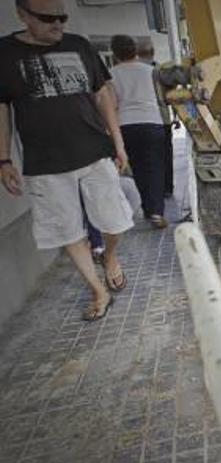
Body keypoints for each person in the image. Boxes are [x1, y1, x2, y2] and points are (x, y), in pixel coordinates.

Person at [0, 0, 134, 320]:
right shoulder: (4, 53)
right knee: (67, 231)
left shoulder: (79, 45)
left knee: (115, 221)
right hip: (44, 162)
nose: (58, 25)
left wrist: (119, 143)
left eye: (62, 18)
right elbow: (2, 108)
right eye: (47, 19)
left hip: (93, 151)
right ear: (22, 14)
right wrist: (4, 159)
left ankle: (110, 257)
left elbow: (102, 95)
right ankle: (98, 290)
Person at [109, 34, 168, 228]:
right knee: (155, 168)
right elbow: (162, 98)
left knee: (138, 169)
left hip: (126, 126)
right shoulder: (151, 71)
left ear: (114, 53)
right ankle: (156, 212)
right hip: (152, 122)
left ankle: (147, 208)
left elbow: (112, 104)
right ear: (135, 50)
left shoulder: (110, 74)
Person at [137, 39, 175, 200]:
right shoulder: (161, 71)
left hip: (140, 120)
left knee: (145, 157)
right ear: (153, 53)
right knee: (165, 154)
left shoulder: (134, 71)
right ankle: (167, 188)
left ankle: (150, 189)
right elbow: (171, 96)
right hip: (161, 119)